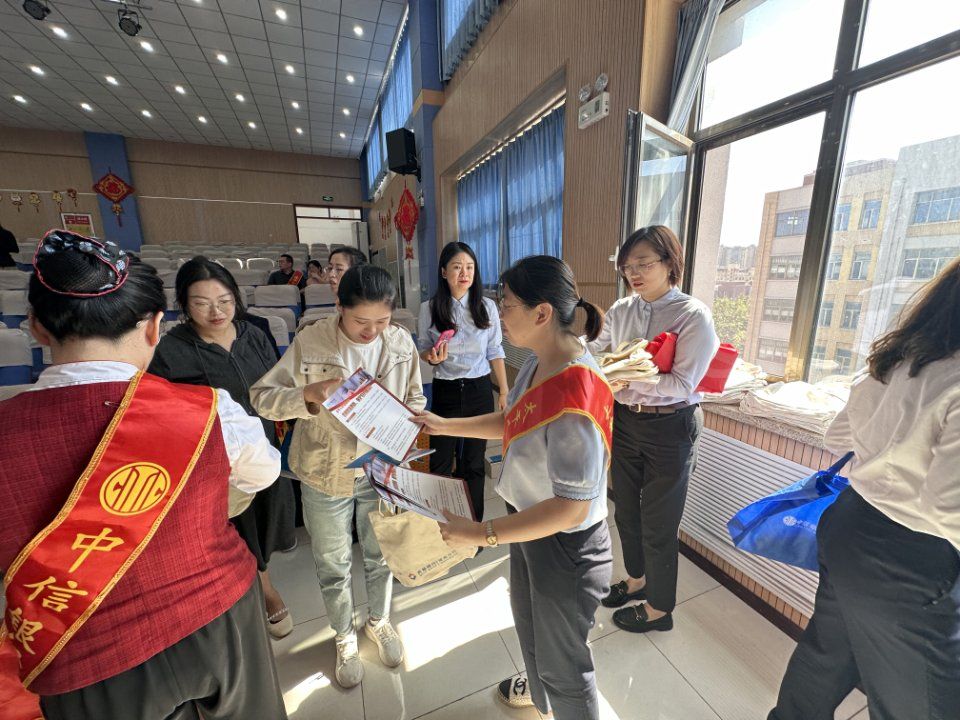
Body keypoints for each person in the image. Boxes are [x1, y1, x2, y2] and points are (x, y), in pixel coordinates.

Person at [0, 230, 286, 720]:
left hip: (80, 654)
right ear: (155, 326)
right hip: (218, 617)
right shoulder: (209, 411)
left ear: (37, 328)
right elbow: (262, 473)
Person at [415, 256, 614, 720]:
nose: (499, 314)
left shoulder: (576, 390)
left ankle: (562, 704)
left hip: (566, 546)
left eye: (506, 304)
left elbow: (570, 508)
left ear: (541, 313)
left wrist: (480, 533)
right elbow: (512, 420)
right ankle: (543, 703)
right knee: (531, 631)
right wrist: (444, 424)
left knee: (566, 668)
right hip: (529, 526)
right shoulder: (540, 361)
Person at [768, 257, 960, 720]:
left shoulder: (897, 362)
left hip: (851, 523)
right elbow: (946, 507)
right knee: (922, 702)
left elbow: (836, 436)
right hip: (913, 556)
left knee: (826, 655)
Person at [250, 264, 425, 689]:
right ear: (340, 307)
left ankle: (378, 621)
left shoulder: (400, 342)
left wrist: (408, 424)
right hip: (325, 471)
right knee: (333, 562)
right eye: (361, 321)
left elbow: (416, 397)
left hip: (379, 467)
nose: (371, 331)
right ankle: (344, 635)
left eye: (382, 321)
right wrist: (308, 394)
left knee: (380, 555)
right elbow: (262, 398)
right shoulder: (312, 341)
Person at [149, 257, 297, 640]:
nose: (216, 312)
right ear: (184, 304)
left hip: (264, 444)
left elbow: (276, 384)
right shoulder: (171, 349)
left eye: (225, 300)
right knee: (236, 523)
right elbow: (161, 410)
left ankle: (258, 574)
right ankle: (263, 589)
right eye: (201, 303)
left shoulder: (255, 333)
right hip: (216, 457)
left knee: (267, 516)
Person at [588, 225, 718, 634]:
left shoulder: (692, 315)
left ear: (669, 263)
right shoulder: (622, 309)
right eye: (627, 266)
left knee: (660, 522)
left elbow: (683, 384)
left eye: (643, 264)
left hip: (672, 425)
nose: (634, 273)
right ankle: (637, 580)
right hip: (627, 420)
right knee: (625, 509)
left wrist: (625, 377)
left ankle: (661, 609)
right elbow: (595, 349)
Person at [417, 241, 509, 521]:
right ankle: (439, 522)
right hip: (446, 390)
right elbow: (423, 348)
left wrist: (504, 391)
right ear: (443, 272)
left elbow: (495, 350)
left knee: (473, 462)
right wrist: (431, 357)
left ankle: (474, 524)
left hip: (479, 389)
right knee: (441, 461)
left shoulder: (487, 307)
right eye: (457, 267)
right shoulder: (429, 308)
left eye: (469, 267)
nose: (464, 273)